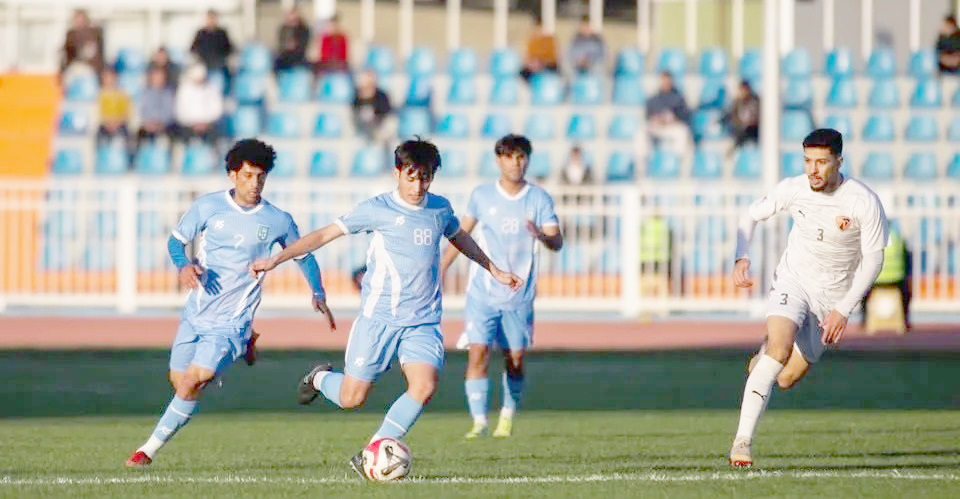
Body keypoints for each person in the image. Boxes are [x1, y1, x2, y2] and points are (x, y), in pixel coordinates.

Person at [249, 139, 523, 479]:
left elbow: (459, 237)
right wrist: (276, 258)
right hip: (378, 320)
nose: (418, 186)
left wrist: (493, 269)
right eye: (411, 177)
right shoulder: (377, 209)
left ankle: (371, 452)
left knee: (424, 386)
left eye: (425, 178)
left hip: (422, 322)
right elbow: (323, 235)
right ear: (397, 173)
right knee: (352, 398)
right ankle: (318, 377)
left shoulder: (439, 209)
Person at [125, 139, 335, 468]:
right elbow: (176, 242)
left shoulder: (278, 219)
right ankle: (247, 343)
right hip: (196, 313)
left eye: (261, 177)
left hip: (232, 321)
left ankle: (146, 451)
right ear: (233, 175)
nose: (255, 184)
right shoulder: (208, 207)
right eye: (248, 176)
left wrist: (318, 292)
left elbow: (303, 256)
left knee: (195, 379)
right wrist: (184, 265)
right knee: (182, 384)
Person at [728, 129, 888, 468]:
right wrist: (742, 256)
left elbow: (874, 260)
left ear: (838, 162)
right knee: (779, 350)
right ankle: (742, 442)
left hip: (831, 301)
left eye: (821, 162)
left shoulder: (863, 201)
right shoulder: (794, 188)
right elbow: (750, 215)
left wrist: (843, 309)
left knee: (784, 379)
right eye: (807, 161)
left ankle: (765, 355)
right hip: (793, 281)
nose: (813, 170)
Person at [440, 134, 562, 440]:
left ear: (528, 160)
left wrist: (541, 235)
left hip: (519, 295)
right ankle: (479, 422)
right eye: (509, 157)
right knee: (478, 353)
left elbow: (557, 241)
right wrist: (440, 268)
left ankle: (506, 417)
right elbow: (460, 235)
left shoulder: (538, 199)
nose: (515, 163)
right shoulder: (482, 195)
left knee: (515, 360)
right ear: (498, 160)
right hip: (482, 292)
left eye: (521, 157)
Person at [861, 220, 911, 330]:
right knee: (906, 294)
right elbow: (906, 260)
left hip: (875, 280)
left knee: (863, 293)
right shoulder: (898, 237)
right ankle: (905, 321)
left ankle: (864, 320)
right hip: (896, 278)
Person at [175, 64, 224, 145]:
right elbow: (180, 112)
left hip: (208, 125)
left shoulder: (212, 88)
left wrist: (206, 123)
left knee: (217, 136)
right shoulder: (184, 90)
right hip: (190, 126)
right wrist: (193, 123)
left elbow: (218, 109)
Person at [137, 67, 177, 149]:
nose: (159, 80)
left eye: (161, 77)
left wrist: (159, 123)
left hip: (164, 125)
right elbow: (142, 110)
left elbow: (169, 111)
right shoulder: (144, 92)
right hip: (147, 125)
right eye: (156, 77)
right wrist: (149, 122)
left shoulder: (168, 92)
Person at [60, 9, 105, 80]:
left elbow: (95, 54)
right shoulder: (71, 34)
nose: (79, 22)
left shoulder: (93, 33)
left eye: (81, 19)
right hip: (74, 66)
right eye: (77, 20)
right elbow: (66, 53)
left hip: (89, 67)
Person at [722, 80, 760, 155]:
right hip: (740, 131)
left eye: (743, 90)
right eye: (740, 90)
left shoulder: (755, 101)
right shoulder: (736, 103)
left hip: (754, 131)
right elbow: (731, 114)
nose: (741, 93)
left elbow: (756, 118)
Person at [96, 68, 131, 149]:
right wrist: (108, 123)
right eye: (106, 78)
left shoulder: (122, 93)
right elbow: (99, 112)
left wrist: (117, 122)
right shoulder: (100, 94)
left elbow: (126, 112)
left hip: (120, 124)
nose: (109, 80)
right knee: (99, 133)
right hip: (105, 124)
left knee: (128, 134)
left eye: (111, 77)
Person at [520, 16, 559, 82]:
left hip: (548, 65)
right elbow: (528, 56)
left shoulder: (550, 40)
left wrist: (542, 63)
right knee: (523, 74)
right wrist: (532, 63)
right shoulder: (532, 40)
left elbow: (554, 57)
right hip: (534, 66)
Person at [274, 6, 311, 73]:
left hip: (299, 57)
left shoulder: (303, 29)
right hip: (285, 56)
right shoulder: (283, 29)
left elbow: (303, 45)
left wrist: (294, 45)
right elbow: (281, 44)